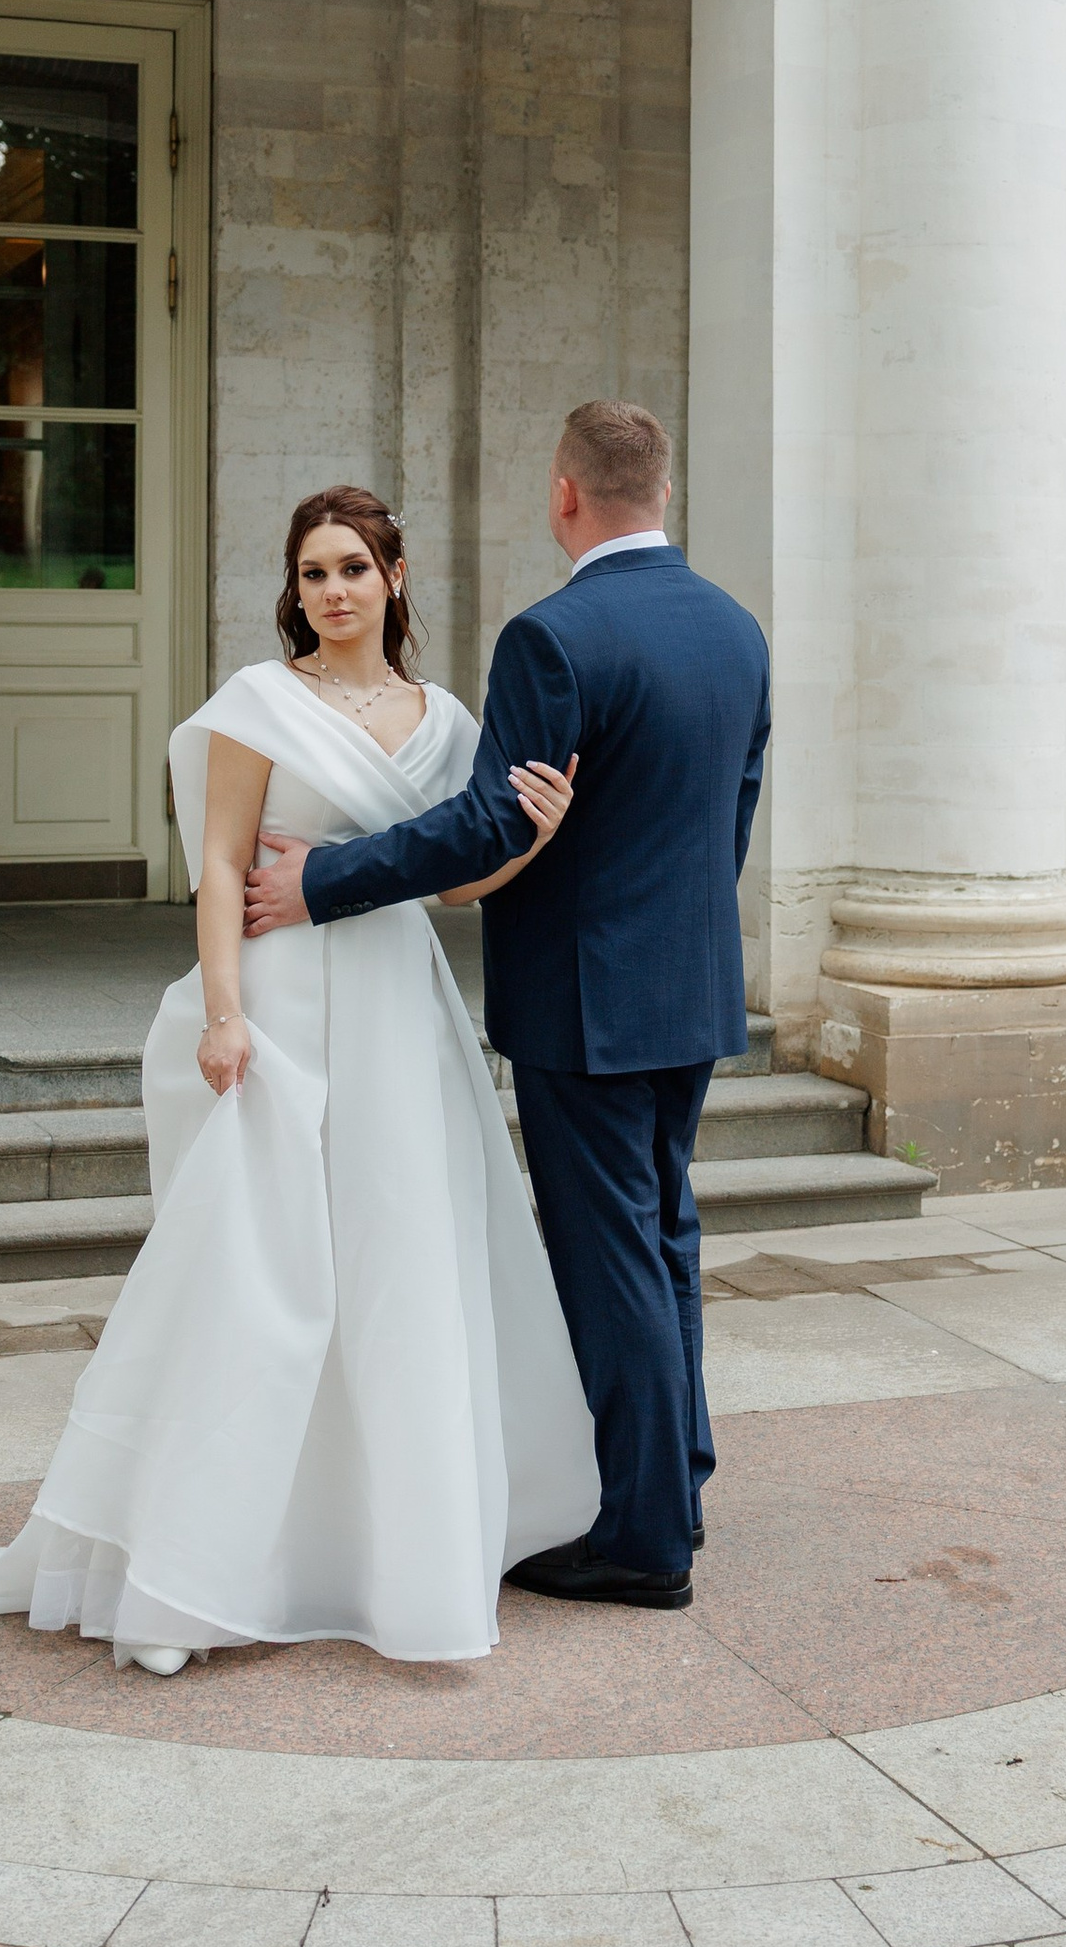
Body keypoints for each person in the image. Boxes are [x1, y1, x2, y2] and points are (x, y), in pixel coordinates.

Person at [0, 485, 601, 1671]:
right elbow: (215, 858)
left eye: (354, 567)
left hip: (402, 1019)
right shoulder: (261, 702)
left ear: (394, 578)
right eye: (312, 573)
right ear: (293, 590)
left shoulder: (449, 720)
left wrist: (538, 838)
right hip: (280, 1004)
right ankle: (196, 1567)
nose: (334, 591)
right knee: (256, 1280)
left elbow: (454, 884)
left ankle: (376, 1553)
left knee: (400, 1270)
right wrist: (222, 1012)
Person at [243, 401, 769, 1610]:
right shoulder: (735, 630)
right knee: (665, 1238)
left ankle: (643, 1540)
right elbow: (727, 818)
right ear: (664, 493)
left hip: (586, 1000)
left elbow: (494, 822)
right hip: (687, 986)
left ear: (564, 495)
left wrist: (317, 880)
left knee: (610, 1259)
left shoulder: (555, 636)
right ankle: (671, 1480)